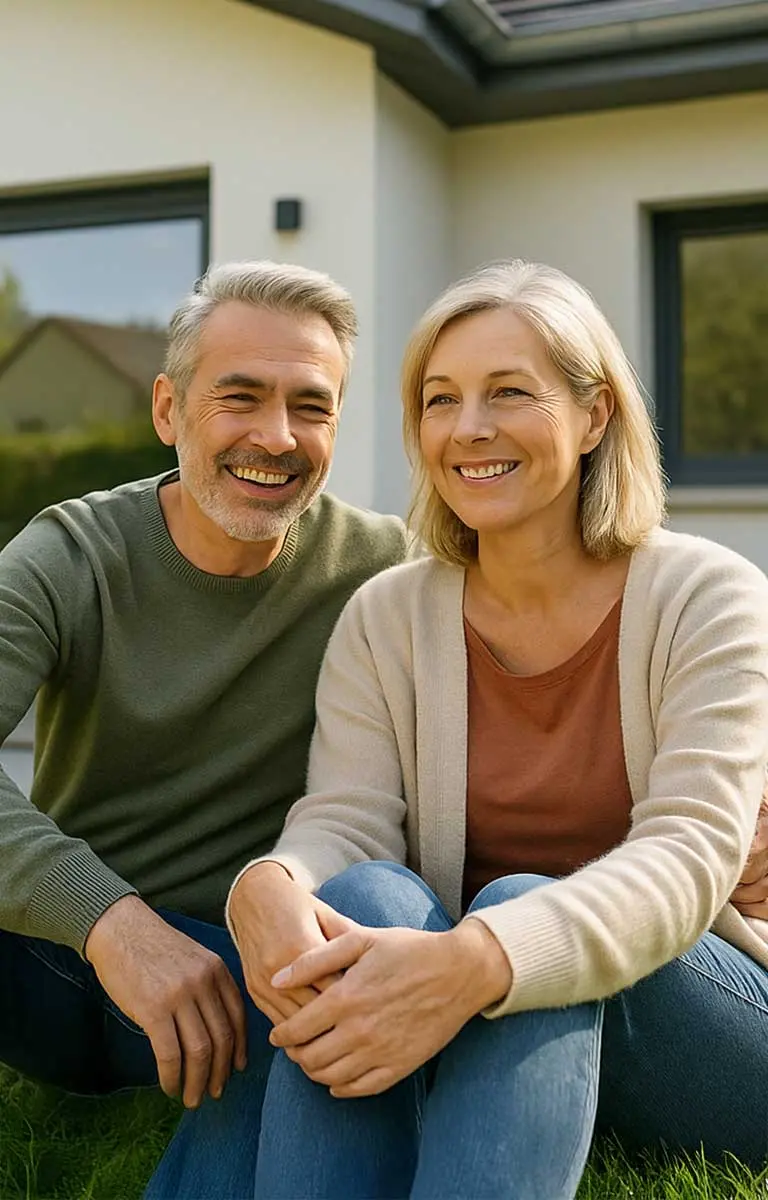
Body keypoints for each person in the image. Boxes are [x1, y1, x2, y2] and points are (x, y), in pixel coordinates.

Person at [229, 260, 768, 1200]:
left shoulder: (708, 596)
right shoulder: (387, 615)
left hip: (710, 1025)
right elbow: (345, 818)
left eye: (509, 392)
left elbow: (690, 857)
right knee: (362, 894)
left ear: (595, 414)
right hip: (485, 1023)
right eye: (441, 400)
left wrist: (487, 956)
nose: (468, 428)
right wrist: (272, 880)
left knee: (523, 908)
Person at [0, 260, 407, 1197]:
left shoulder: (386, 568)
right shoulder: (74, 553)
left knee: (330, 975)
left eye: (312, 406)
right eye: (240, 397)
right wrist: (108, 921)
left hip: (250, 979)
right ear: (166, 409)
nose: (277, 437)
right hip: (64, 966)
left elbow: (562, 634)